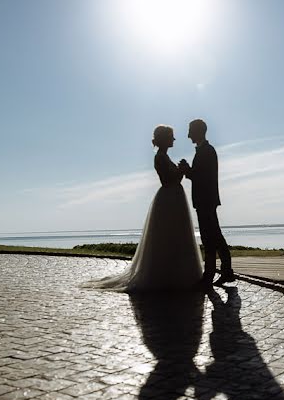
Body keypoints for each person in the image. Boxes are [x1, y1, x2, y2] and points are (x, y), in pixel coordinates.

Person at [84, 125, 202, 292]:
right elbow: (168, 180)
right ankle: (166, 276)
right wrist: (181, 170)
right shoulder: (160, 157)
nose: (174, 140)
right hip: (169, 198)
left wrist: (180, 170)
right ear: (165, 139)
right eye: (171, 137)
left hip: (174, 198)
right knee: (167, 236)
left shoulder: (164, 156)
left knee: (176, 236)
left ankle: (176, 274)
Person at [179, 119, 234, 286]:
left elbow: (202, 177)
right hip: (205, 201)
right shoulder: (204, 150)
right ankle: (218, 272)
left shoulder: (207, 151)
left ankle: (218, 273)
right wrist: (189, 170)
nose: (188, 135)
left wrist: (187, 170)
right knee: (210, 237)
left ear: (198, 131)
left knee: (213, 236)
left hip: (206, 201)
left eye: (190, 131)